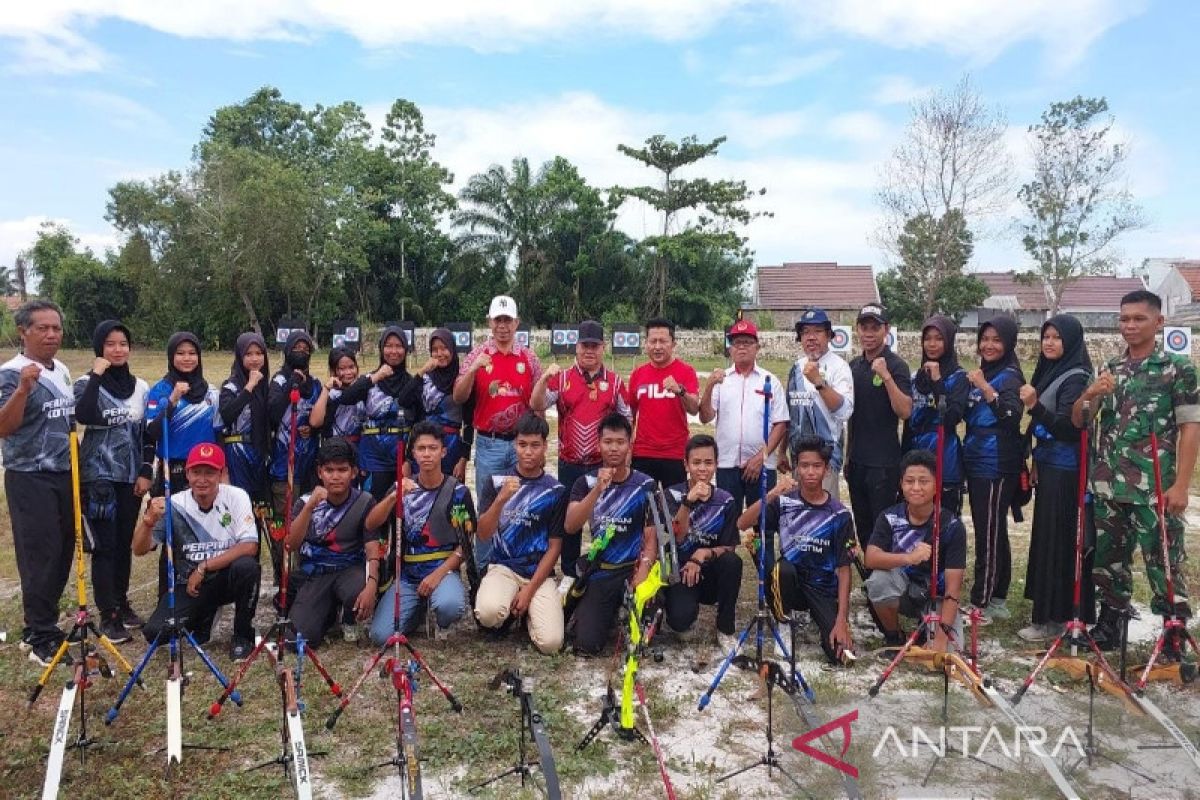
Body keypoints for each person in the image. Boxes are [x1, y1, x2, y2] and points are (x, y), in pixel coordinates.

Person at [1075, 290, 1198, 659]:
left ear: (1158, 323)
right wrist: (1092, 392)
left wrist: (1181, 484)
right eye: (1124, 319)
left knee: (1164, 560)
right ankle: (1112, 623)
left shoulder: (1177, 369)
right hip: (1109, 483)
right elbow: (1080, 418)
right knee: (1108, 561)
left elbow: (1191, 427)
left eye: (1139, 319)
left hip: (1153, 486)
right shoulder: (1110, 368)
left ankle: (1173, 633)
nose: (1130, 326)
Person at [0, 301, 76, 665]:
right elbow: (4, 427)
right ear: (23, 332)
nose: (51, 334)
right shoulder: (11, 373)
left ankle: (46, 622)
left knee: (63, 550)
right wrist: (22, 391)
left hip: (64, 474)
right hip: (29, 475)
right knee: (40, 554)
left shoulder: (60, 369)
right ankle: (38, 633)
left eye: (56, 328)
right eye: (42, 328)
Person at [133, 443, 260, 661]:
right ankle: (205, 615)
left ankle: (242, 635)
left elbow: (250, 546)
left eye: (210, 473)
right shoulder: (174, 504)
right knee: (155, 632)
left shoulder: (237, 496)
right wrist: (147, 522)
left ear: (221, 474)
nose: (202, 479)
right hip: (191, 586)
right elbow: (139, 549)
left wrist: (204, 567)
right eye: (197, 472)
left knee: (247, 567)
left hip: (224, 577)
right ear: (187, 474)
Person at [740, 436, 854, 665]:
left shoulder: (840, 515)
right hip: (789, 582)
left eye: (817, 466)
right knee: (782, 569)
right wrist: (772, 493)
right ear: (795, 469)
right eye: (804, 466)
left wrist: (842, 619)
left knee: (840, 656)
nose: (810, 472)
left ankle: (821, 619)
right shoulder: (785, 503)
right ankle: (784, 622)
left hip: (823, 589)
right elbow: (742, 524)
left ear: (827, 470)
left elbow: (844, 569)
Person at [531, 319, 630, 576]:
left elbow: (627, 419)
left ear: (603, 348)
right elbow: (536, 403)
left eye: (595, 346)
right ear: (576, 347)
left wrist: (623, 458)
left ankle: (605, 568)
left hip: (602, 465)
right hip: (570, 463)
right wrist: (543, 379)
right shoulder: (561, 378)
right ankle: (569, 571)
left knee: (606, 518)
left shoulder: (616, 382)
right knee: (569, 519)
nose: (589, 351)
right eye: (584, 345)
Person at [74, 319, 150, 643]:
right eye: (110, 344)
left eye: (123, 343)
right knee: (104, 548)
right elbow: (84, 415)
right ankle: (108, 615)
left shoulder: (141, 387)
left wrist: (146, 471)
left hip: (130, 478)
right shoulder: (85, 382)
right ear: (99, 349)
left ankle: (121, 602)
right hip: (98, 477)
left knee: (123, 545)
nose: (117, 350)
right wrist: (96, 374)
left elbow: (147, 433)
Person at [1018, 315, 1094, 642]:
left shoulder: (1076, 377)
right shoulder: (1053, 370)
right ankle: (1049, 612)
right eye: (1045, 336)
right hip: (1049, 466)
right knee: (1047, 539)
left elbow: (1068, 428)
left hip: (1066, 472)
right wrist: (1036, 459)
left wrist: (1034, 406)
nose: (1049, 343)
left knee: (1059, 542)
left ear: (1071, 342)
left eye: (1056, 338)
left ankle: (1055, 618)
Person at [453, 296, 542, 567]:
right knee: (488, 506)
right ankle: (482, 569)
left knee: (524, 506)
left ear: (517, 323)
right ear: (489, 322)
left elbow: (539, 401)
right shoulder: (476, 355)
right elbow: (458, 396)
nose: (502, 326)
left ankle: (521, 563)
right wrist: (473, 370)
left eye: (508, 320)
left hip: (521, 444)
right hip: (489, 444)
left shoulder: (528, 357)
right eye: (497, 320)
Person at [368, 421, 475, 643]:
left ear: (443, 452)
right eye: (421, 449)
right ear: (413, 454)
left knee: (450, 606)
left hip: (442, 569)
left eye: (433, 448)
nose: (427, 454)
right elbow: (371, 523)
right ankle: (417, 611)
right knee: (380, 636)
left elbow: (465, 545)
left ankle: (442, 620)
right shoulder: (404, 487)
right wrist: (392, 497)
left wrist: (438, 575)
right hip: (407, 574)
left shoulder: (458, 492)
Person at [564, 413, 658, 655]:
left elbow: (651, 536)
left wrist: (644, 570)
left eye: (620, 442)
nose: (614, 448)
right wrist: (597, 490)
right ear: (598, 444)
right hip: (602, 570)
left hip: (632, 568)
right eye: (608, 442)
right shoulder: (585, 482)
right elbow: (571, 526)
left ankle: (624, 611)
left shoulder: (646, 485)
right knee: (587, 645)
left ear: (630, 445)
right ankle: (596, 613)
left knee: (642, 640)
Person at [474, 412, 567, 653]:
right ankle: (508, 606)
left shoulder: (554, 490)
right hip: (503, 567)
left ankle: (527, 613)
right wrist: (500, 501)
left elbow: (555, 547)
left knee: (551, 644)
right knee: (488, 614)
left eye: (535, 445)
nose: (528, 452)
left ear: (546, 446)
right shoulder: (496, 482)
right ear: (515, 444)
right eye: (522, 445)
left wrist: (529, 591)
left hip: (537, 572)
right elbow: (483, 534)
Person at [864, 449, 967, 651]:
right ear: (901, 484)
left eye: (924, 481)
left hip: (936, 596)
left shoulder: (952, 526)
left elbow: (953, 589)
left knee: (946, 655)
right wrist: (909, 558)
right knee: (878, 582)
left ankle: (926, 632)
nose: (916, 488)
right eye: (909, 481)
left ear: (937, 486)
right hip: (902, 589)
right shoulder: (889, 517)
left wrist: (941, 637)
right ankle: (894, 636)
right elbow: (871, 558)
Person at [287, 438, 381, 648]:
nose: (336, 476)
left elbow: (372, 548)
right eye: (329, 470)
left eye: (342, 470)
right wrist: (310, 507)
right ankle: (327, 614)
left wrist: (371, 584)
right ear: (320, 472)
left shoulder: (365, 501)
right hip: (316, 573)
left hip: (350, 570)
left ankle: (349, 615)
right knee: (299, 641)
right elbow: (291, 545)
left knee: (357, 590)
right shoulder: (304, 501)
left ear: (354, 472)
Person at [962, 315, 1025, 624]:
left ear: (1009, 343)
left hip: (996, 462)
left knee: (988, 531)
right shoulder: (985, 371)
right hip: (976, 458)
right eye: (984, 339)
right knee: (992, 528)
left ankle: (982, 601)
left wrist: (985, 387)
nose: (988, 345)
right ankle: (997, 594)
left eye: (996, 340)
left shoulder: (1009, 376)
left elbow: (1012, 417)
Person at [698, 317, 788, 514]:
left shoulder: (770, 380)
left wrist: (761, 457)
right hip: (727, 463)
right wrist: (710, 385)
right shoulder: (722, 380)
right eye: (737, 343)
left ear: (757, 347)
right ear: (730, 349)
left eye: (747, 342)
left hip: (761, 466)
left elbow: (781, 423)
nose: (742, 348)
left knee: (763, 525)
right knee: (727, 523)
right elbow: (705, 417)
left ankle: (761, 547)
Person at [662, 434, 742, 651]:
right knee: (679, 623)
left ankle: (725, 629)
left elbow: (729, 547)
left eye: (708, 462)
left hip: (710, 571)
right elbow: (676, 537)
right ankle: (682, 612)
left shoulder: (725, 500)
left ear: (716, 464)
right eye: (696, 463)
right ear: (686, 464)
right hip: (681, 572)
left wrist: (703, 554)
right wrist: (688, 502)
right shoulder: (671, 494)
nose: (702, 469)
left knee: (732, 562)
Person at [845, 304, 912, 551]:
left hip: (884, 463)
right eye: (864, 327)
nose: (869, 333)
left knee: (883, 526)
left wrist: (886, 377)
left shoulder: (897, 366)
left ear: (886, 330)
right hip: (857, 461)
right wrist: (848, 457)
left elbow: (905, 411)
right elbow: (848, 414)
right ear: (858, 330)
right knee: (862, 526)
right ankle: (873, 582)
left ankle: (886, 582)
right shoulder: (852, 367)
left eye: (875, 327)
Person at [266, 330, 323, 591]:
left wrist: (313, 429)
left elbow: (325, 419)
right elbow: (272, 413)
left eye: (305, 347)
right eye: (296, 346)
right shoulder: (279, 380)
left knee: (308, 523)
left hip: (309, 467)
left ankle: (305, 579)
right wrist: (291, 383)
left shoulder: (316, 384)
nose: (301, 351)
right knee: (285, 525)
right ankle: (285, 578)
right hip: (282, 467)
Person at [339, 326, 423, 501]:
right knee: (374, 512)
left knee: (402, 514)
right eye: (388, 346)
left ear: (406, 350)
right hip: (372, 459)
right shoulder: (369, 380)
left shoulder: (412, 382)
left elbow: (419, 425)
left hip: (401, 457)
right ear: (381, 349)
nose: (394, 351)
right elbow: (346, 397)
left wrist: (408, 460)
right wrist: (375, 377)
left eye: (399, 346)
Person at [784, 308, 853, 499]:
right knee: (799, 516)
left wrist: (818, 382)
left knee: (824, 518)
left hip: (826, 460)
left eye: (817, 331)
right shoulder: (796, 368)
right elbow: (789, 414)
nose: (811, 337)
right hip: (799, 458)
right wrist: (782, 452)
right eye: (806, 332)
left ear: (829, 335)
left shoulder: (839, 367)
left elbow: (844, 411)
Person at [902, 315, 968, 515]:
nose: (932, 344)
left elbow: (951, 418)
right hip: (915, 456)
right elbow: (908, 421)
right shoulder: (915, 377)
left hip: (944, 458)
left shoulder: (958, 377)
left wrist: (938, 382)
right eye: (927, 338)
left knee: (945, 523)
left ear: (948, 342)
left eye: (939, 338)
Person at [143, 331, 220, 496]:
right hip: (173, 469)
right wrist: (172, 401)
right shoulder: (160, 390)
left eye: (192, 353)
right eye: (180, 353)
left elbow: (219, 432)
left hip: (206, 466)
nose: (187, 358)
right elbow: (152, 432)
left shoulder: (211, 393)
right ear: (171, 356)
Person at [627, 318, 700, 489]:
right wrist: (628, 449)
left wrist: (680, 391)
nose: (657, 346)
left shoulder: (686, 371)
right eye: (653, 341)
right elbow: (630, 416)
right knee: (644, 507)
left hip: (675, 454)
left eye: (663, 341)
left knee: (674, 509)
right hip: (643, 453)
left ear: (673, 344)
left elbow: (694, 409)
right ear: (646, 344)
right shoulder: (638, 374)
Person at [413, 328, 473, 480]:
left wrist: (463, 459)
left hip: (452, 446)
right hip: (426, 446)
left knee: (452, 495)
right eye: (434, 349)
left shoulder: (462, 380)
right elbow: (406, 401)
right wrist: (422, 371)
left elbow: (468, 422)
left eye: (444, 348)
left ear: (453, 349)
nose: (440, 353)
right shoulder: (425, 378)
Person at [219, 332, 271, 503]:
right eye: (248, 354)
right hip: (237, 452)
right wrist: (249, 387)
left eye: (259, 353)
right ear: (240, 356)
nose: (255, 359)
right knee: (241, 502)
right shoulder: (230, 386)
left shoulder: (264, 386)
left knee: (261, 506)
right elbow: (227, 414)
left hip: (260, 452)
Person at [312, 347, 366, 448]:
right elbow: (315, 422)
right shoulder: (331, 394)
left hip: (361, 450)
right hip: (335, 450)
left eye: (351, 367)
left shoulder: (364, 389)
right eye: (342, 368)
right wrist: (326, 389)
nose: (349, 372)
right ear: (333, 371)